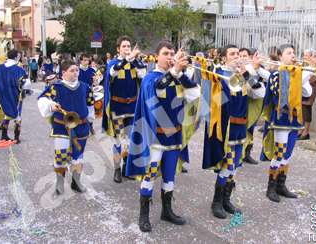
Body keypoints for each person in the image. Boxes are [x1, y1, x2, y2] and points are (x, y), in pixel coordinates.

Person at [126, 40, 200, 232]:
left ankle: (167, 211)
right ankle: (143, 215)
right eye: (166, 53)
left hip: (174, 137)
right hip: (155, 139)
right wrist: (174, 71)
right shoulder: (150, 77)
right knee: (149, 176)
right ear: (156, 56)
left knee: (169, 177)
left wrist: (181, 74)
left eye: (172, 53)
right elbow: (158, 89)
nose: (169, 57)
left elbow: (194, 95)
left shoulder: (178, 77)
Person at [202, 44, 266, 219]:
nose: (236, 56)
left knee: (236, 164)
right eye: (232, 54)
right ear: (224, 58)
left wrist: (248, 73)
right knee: (227, 164)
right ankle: (216, 201)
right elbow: (213, 100)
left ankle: (226, 199)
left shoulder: (243, 75)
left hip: (241, 127)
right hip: (226, 127)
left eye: (238, 53)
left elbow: (260, 93)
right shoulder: (219, 74)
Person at [37, 59, 95, 195]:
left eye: (77, 70)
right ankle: (60, 182)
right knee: (61, 156)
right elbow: (42, 99)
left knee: (78, 157)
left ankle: (76, 182)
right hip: (61, 127)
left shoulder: (85, 87)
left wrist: (90, 122)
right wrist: (51, 105)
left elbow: (90, 105)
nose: (76, 73)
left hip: (81, 127)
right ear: (64, 72)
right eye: (72, 70)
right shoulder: (56, 87)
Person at [263, 44, 312, 203]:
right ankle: (271, 187)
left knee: (288, 153)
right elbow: (284, 93)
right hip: (282, 120)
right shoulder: (276, 75)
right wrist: (304, 73)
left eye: (293, 52)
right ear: (280, 57)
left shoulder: (296, 74)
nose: (293, 55)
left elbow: (307, 93)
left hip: (295, 120)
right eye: (288, 53)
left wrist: (303, 75)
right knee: (279, 153)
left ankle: (281, 185)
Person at [102, 36, 147, 183]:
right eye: (124, 46)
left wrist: (134, 60)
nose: (127, 49)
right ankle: (116, 168)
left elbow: (143, 75)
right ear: (118, 49)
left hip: (132, 107)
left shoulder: (136, 64)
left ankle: (126, 168)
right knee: (117, 141)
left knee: (128, 140)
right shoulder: (113, 64)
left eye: (129, 46)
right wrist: (126, 60)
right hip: (117, 108)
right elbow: (112, 73)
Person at [0, 49, 30, 143]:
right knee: (18, 116)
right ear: (17, 56)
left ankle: (4, 135)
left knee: (6, 115)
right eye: (19, 56)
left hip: (3, 96)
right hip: (15, 96)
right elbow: (25, 84)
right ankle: (16, 138)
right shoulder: (19, 70)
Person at [298, 49, 316, 140]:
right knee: (302, 112)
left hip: (310, 91)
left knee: (307, 112)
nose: (304, 57)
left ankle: (306, 132)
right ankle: (301, 130)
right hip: (302, 90)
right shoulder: (304, 65)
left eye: (306, 55)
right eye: (304, 55)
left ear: (311, 57)